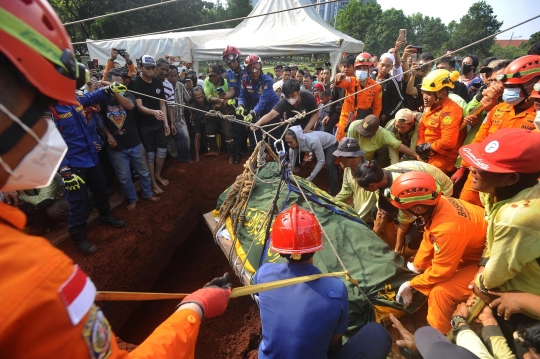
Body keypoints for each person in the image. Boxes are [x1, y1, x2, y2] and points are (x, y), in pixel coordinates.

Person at [0, 1, 233, 357]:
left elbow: (97, 94)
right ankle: (80, 236)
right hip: (77, 164)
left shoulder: (74, 105)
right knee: (77, 203)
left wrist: (113, 79)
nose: (41, 129)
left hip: (89, 159)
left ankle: (106, 217)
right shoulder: (36, 278)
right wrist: (194, 308)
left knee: (97, 195)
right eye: (39, 111)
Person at [253, 204, 392, 359]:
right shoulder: (336, 289)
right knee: (377, 333)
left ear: (278, 249)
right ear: (317, 245)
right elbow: (334, 341)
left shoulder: (263, 274)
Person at [460, 128, 540, 358]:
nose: (473, 169)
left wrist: (480, 284)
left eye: (483, 167)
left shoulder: (517, 217)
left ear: (511, 178)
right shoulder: (497, 192)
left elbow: (495, 277)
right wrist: (485, 263)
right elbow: (493, 238)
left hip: (526, 302)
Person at [390, 172, 487, 334]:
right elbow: (430, 236)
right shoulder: (439, 204)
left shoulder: (447, 229)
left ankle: (437, 338)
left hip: (488, 262)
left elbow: (443, 271)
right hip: (473, 250)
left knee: (441, 292)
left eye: (403, 209)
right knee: (429, 273)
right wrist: (417, 267)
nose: (402, 213)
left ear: (418, 208)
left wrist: (411, 284)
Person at [456, 56, 539, 206]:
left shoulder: (537, 118)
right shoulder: (497, 109)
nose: (508, 91)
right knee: (466, 210)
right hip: (478, 175)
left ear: (533, 85)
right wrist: (463, 167)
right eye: (507, 86)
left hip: (511, 187)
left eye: (514, 87)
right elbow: (479, 140)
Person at [354, 160, 453, 254]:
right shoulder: (379, 174)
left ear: (372, 186)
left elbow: (404, 224)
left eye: (364, 188)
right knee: (375, 211)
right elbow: (382, 211)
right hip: (421, 183)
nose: (364, 190)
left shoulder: (402, 192)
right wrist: (372, 238)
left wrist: (397, 250)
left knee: (411, 238)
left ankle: (406, 256)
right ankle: (390, 244)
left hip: (441, 191)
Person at [103, 69, 160, 211]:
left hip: (134, 142)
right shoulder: (102, 98)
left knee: (144, 171)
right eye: (115, 84)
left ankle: (147, 194)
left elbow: (129, 106)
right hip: (116, 147)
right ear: (109, 83)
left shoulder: (128, 95)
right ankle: (132, 199)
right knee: (124, 177)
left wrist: (113, 91)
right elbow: (99, 119)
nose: (119, 87)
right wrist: (108, 135)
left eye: (120, 84)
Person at [127, 55, 170, 195]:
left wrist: (165, 122)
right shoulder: (135, 83)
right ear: (140, 67)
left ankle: (158, 175)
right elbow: (138, 106)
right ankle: (152, 182)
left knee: (162, 150)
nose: (151, 70)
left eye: (153, 68)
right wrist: (153, 112)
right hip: (144, 125)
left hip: (158, 123)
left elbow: (162, 103)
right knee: (150, 154)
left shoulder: (158, 82)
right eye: (148, 68)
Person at [416, 69, 464, 175]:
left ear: (442, 94)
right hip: (426, 157)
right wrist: (420, 146)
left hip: (442, 163)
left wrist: (428, 148)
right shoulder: (430, 106)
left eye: (428, 93)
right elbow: (422, 127)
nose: (424, 96)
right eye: (423, 92)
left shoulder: (451, 110)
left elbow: (448, 142)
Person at [237, 54, 280, 155]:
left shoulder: (267, 80)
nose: (254, 72)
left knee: (274, 135)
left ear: (260, 67)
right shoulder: (245, 80)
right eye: (251, 69)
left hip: (271, 110)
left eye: (256, 68)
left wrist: (253, 112)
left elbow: (263, 101)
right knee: (256, 134)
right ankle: (257, 159)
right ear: (247, 70)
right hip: (257, 109)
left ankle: (279, 160)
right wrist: (241, 105)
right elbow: (242, 96)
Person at [334, 53, 382, 142]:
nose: (361, 70)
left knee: (359, 146)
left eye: (364, 68)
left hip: (363, 122)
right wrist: (339, 79)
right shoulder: (350, 81)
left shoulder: (376, 87)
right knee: (341, 144)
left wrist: (373, 122)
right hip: (346, 120)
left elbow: (377, 107)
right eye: (359, 68)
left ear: (370, 69)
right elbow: (341, 83)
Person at [285, 126, 339, 195]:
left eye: (290, 142)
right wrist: (289, 177)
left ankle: (334, 190)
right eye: (287, 142)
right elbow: (291, 164)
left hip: (330, 144)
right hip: (318, 144)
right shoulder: (292, 148)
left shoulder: (312, 141)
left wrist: (310, 178)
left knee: (329, 163)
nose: (289, 145)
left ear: (298, 139)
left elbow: (321, 161)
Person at [253, 79, 319, 134]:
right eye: (287, 97)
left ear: (298, 92)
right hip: (292, 128)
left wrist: (307, 128)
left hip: (308, 125)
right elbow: (271, 114)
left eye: (292, 96)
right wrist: (258, 123)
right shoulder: (285, 102)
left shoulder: (308, 97)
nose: (290, 99)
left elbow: (315, 114)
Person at [346, 115, 418, 164]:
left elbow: (398, 145)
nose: (363, 135)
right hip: (352, 157)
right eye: (362, 131)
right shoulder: (354, 126)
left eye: (366, 133)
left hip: (367, 161)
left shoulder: (383, 134)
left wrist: (416, 155)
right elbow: (349, 148)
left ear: (376, 130)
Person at [333, 138, 372, 222]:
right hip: (358, 214)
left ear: (350, 159)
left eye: (340, 158)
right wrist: (331, 203)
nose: (338, 160)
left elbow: (369, 203)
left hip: (369, 218)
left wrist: (358, 221)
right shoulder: (348, 169)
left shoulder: (370, 173)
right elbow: (345, 191)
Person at [203, 64, 234, 162]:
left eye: (214, 75)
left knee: (227, 130)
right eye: (210, 76)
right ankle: (213, 150)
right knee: (209, 129)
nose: (212, 78)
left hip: (225, 108)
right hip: (214, 107)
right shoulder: (207, 81)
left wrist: (222, 103)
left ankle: (231, 154)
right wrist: (219, 101)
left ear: (219, 74)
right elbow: (208, 96)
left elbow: (229, 97)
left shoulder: (225, 82)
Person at [222, 45, 248, 164]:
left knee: (252, 128)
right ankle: (239, 152)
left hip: (251, 102)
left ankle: (253, 151)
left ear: (238, 58)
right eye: (228, 62)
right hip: (238, 104)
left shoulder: (247, 71)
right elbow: (232, 90)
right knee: (237, 128)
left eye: (233, 61)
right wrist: (224, 95)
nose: (231, 64)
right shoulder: (229, 74)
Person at [168, 65, 192, 163]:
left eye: (175, 76)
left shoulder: (180, 85)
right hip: (168, 121)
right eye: (171, 76)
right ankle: (176, 159)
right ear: (166, 76)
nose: (174, 78)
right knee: (172, 143)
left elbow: (188, 100)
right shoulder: (163, 86)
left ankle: (185, 156)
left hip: (180, 119)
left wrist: (191, 114)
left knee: (186, 137)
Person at [373, 53, 404, 127]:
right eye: (382, 65)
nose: (384, 68)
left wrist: (387, 113)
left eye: (388, 66)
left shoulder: (392, 81)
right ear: (378, 64)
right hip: (369, 113)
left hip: (382, 117)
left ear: (391, 67)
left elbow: (400, 100)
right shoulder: (372, 76)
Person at [189, 86, 214, 162]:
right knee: (197, 135)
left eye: (201, 96)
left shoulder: (209, 99)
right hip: (200, 120)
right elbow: (207, 117)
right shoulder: (193, 105)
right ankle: (197, 156)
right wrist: (214, 109)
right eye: (197, 98)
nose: (200, 99)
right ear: (193, 97)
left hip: (212, 120)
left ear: (204, 94)